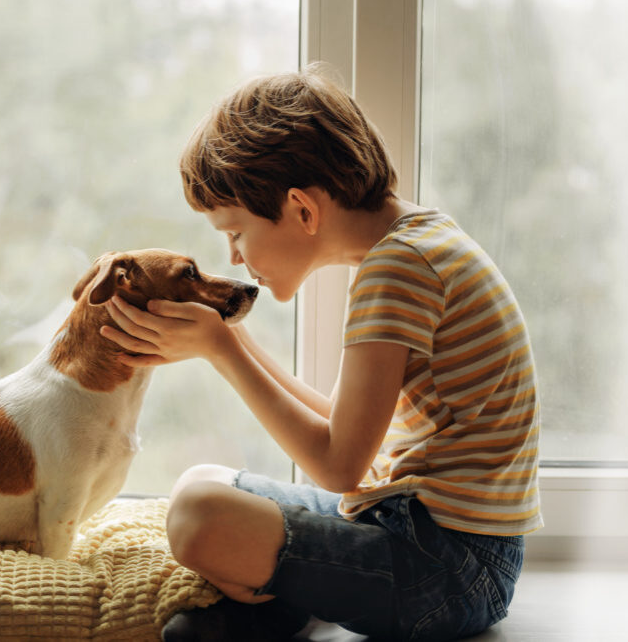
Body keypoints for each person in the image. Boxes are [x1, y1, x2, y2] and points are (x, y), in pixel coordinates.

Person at [99, 62, 542, 641]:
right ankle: (291, 596)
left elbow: (338, 467)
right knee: (202, 481)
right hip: (418, 529)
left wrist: (223, 353)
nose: (234, 258)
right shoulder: (417, 243)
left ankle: (281, 597)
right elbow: (343, 427)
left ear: (303, 210)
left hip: (450, 569)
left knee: (197, 515)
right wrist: (229, 339)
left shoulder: (399, 269)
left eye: (234, 232)